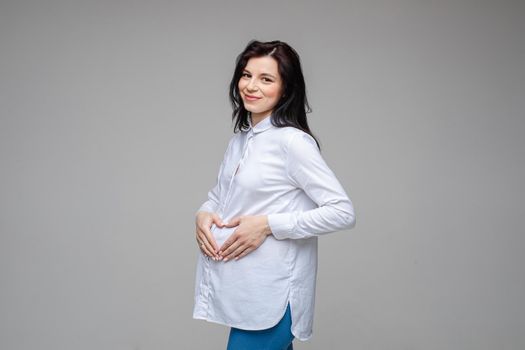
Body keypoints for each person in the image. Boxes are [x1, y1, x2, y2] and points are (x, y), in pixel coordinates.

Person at [193, 40, 356, 350]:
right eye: (246, 75)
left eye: (266, 79)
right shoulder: (239, 142)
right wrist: (203, 212)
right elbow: (220, 195)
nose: (251, 86)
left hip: (276, 296)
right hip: (245, 293)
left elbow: (342, 211)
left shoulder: (293, 143)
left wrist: (268, 224)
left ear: (286, 88)